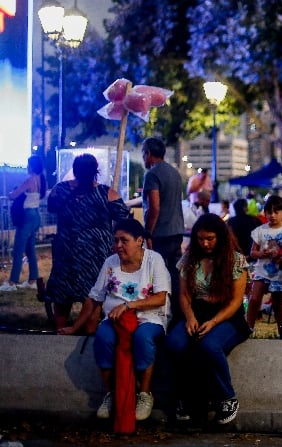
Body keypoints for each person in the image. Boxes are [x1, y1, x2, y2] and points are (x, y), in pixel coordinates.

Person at [57, 219, 171, 422]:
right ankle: (111, 393)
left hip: (150, 317)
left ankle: (144, 394)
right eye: (115, 240)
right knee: (103, 338)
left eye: (124, 240)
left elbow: (160, 298)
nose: (118, 245)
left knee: (143, 338)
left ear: (139, 240)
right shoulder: (110, 263)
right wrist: (75, 327)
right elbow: (95, 297)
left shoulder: (154, 260)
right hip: (115, 319)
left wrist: (128, 306)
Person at [166, 213, 250, 425]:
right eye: (200, 238)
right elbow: (184, 295)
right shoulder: (189, 259)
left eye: (210, 239)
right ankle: (183, 398)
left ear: (220, 237)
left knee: (210, 345)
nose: (204, 243)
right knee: (175, 343)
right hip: (196, 311)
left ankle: (228, 397)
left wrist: (213, 322)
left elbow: (235, 302)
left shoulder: (236, 260)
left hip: (227, 316)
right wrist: (189, 317)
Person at [45, 154, 130, 330]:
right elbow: (123, 217)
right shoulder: (106, 193)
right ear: (95, 171)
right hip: (95, 253)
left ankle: (60, 333)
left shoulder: (60, 190)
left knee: (62, 295)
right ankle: (89, 335)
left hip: (66, 249)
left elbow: (51, 207)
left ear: (75, 170)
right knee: (93, 295)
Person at [141, 137, 185, 325]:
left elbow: (155, 207)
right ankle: (179, 314)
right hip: (177, 230)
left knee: (156, 274)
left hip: (160, 233)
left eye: (143, 154)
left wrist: (148, 232)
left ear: (148, 153)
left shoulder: (152, 175)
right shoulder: (174, 173)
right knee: (175, 275)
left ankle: (159, 315)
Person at [1, 155, 46, 292]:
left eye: (28, 164)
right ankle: (33, 279)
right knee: (30, 249)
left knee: (18, 250)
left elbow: (13, 195)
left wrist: (11, 192)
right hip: (36, 215)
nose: (27, 167)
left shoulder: (30, 180)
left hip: (27, 216)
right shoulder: (41, 180)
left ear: (32, 166)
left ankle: (12, 282)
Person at [246, 196, 282, 335]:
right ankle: (247, 330)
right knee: (254, 299)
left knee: (277, 305)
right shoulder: (260, 230)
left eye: (276, 212)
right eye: (269, 212)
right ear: (264, 213)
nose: (273, 215)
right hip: (261, 271)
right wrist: (261, 254)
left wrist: (281, 255)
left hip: (280, 274)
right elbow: (252, 252)